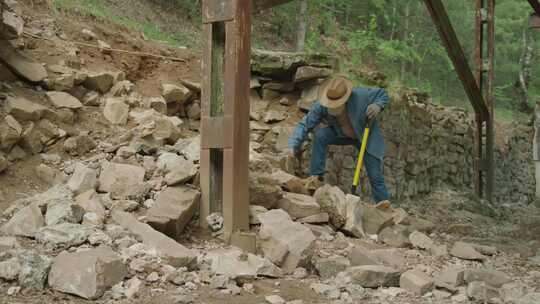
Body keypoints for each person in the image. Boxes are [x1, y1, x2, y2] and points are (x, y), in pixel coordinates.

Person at [287, 75, 390, 204]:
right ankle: (315, 178)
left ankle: (384, 206)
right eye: (331, 104)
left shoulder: (361, 96)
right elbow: (305, 124)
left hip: (366, 137)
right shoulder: (322, 105)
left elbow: (383, 93)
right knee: (320, 135)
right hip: (340, 134)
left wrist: (378, 105)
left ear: (345, 100)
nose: (332, 106)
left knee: (375, 176)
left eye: (336, 104)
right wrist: (292, 145)